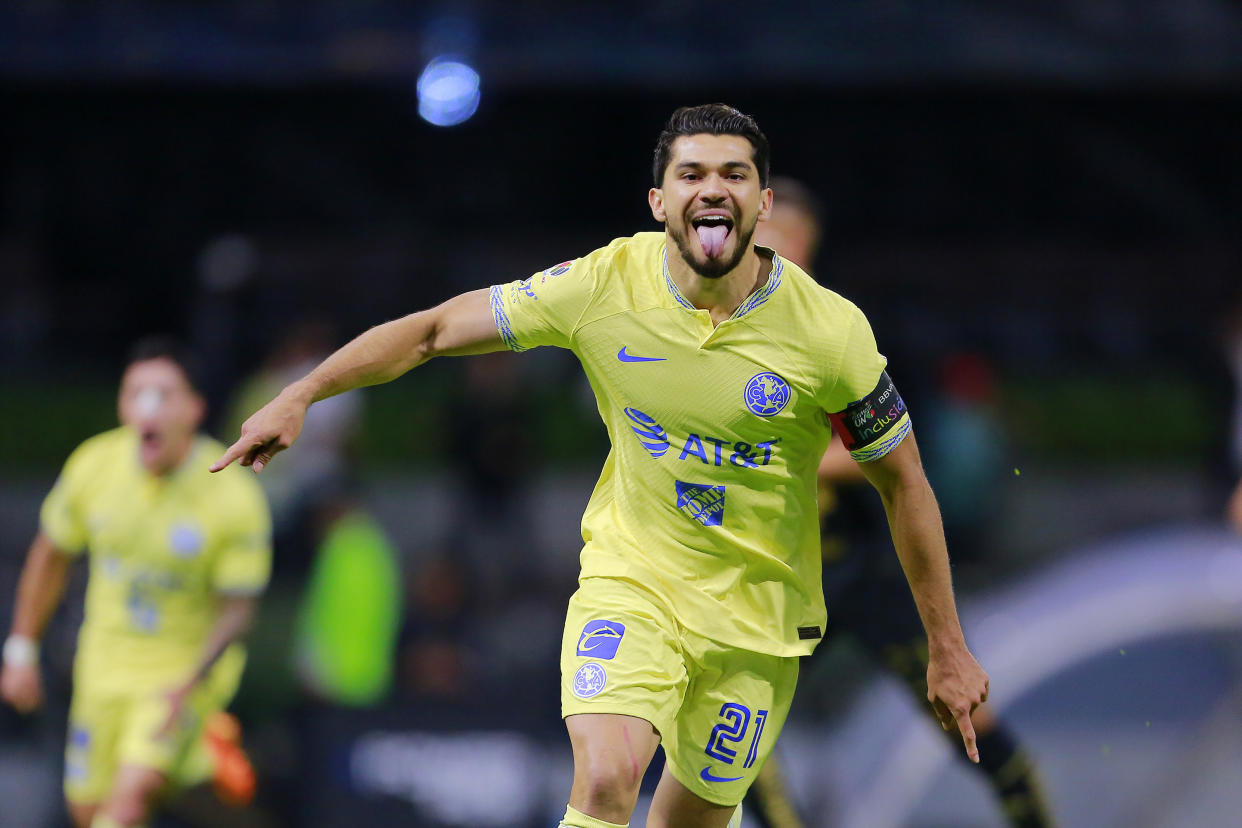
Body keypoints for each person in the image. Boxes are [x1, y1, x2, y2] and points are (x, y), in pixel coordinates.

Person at [212, 103, 989, 828]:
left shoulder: (829, 332)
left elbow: (905, 482)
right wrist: (305, 392)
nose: (712, 190)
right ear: (658, 202)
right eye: (691, 174)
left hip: (759, 620)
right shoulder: (603, 285)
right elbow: (436, 330)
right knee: (610, 777)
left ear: (761, 207)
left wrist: (947, 648)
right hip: (635, 584)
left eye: (734, 175)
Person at [743, 177, 1054, 827]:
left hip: (857, 568)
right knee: (734, 732)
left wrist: (787, 460)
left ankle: (1033, 813)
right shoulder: (716, 337)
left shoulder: (843, 332)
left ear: (802, 243)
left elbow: (896, 451)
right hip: (770, 580)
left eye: (774, 235)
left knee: (964, 715)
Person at [1, 337, 272, 828]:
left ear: (194, 408)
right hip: (102, 668)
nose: (148, 407)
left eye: (163, 394)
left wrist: (191, 680)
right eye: (136, 393)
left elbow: (238, 606)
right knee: (89, 811)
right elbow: (50, 556)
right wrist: (21, 648)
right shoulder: (95, 466)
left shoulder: (230, 492)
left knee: (129, 800)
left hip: (181, 675)